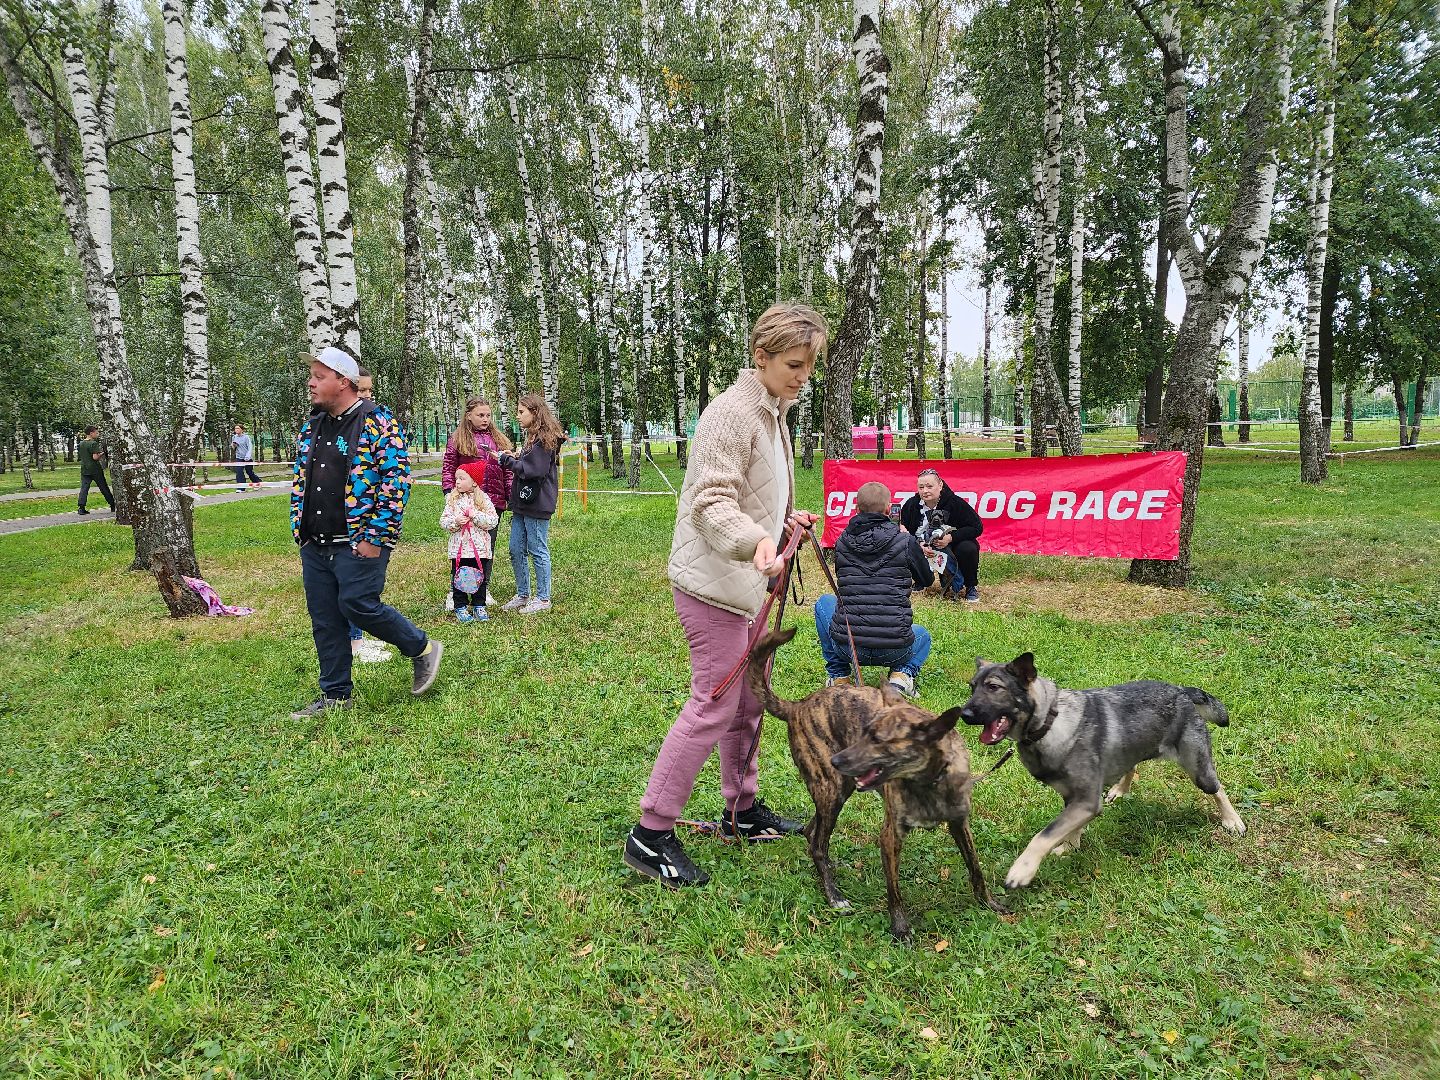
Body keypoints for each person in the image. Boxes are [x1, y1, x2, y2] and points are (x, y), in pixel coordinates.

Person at [623, 301, 828, 889]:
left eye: (808, 367)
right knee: (713, 703)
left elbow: (755, 494)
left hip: (745, 582)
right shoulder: (731, 414)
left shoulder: (771, 409)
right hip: (714, 585)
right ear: (760, 356)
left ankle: (741, 809)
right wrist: (759, 542)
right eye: (793, 364)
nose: (801, 376)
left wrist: (785, 522)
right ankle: (651, 833)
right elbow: (711, 504)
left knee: (748, 699)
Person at [289, 346, 443, 718]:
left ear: (343, 382)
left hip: (360, 541)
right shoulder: (313, 425)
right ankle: (336, 696)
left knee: (358, 604)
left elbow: (396, 482)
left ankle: (420, 647)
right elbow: (303, 479)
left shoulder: (377, 422)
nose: (310, 383)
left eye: (319, 376)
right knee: (325, 619)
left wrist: (376, 536)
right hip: (316, 541)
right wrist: (300, 525)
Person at [816, 481, 934, 698]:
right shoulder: (904, 540)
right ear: (889, 510)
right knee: (923, 636)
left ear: (856, 509)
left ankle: (839, 674)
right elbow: (926, 579)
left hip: (848, 646)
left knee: (824, 602)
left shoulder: (842, 541)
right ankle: (900, 678)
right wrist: (910, 545)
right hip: (895, 648)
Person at [489, 392, 562, 615]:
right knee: (515, 548)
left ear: (535, 413)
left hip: (537, 503)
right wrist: (517, 456)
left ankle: (542, 598)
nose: (518, 416)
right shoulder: (532, 437)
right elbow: (529, 462)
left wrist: (506, 460)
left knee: (537, 549)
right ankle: (523, 594)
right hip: (522, 501)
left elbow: (535, 471)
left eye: (521, 412)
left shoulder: (544, 439)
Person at [441, 397, 512, 609]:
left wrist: (509, 496)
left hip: (491, 503)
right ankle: (456, 592)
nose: (485, 419)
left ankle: (483, 588)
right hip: (464, 503)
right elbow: (448, 468)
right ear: (469, 415)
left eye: (488, 415)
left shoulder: (499, 440)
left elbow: (508, 472)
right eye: (480, 415)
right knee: (462, 549)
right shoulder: (457, 439)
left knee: (486, 548)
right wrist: (449, 493)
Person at [347, 366, 393, 662]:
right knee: (356, 590)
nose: (366, 396)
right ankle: (354, 642)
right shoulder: (345, 429)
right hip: (352, 524)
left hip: (367, 523)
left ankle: (355, 639)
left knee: (356, 588)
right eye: (360, 390)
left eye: (369, 391)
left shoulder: (374, 423)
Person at [900, 467, 984, 602]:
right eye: (921, 487)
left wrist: (951, 538)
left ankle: (970, 586)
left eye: (929, 486)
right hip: (921, 542)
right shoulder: (912, 504)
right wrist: (918, 544)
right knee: (902, 545)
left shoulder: (955, 503)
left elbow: (976, 527)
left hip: (950, 543)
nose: (925, 491)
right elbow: (902, 526)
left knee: (968, 547)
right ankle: (920, 580)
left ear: (940, 485)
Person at [440, 462, 499, 623]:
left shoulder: (483, 500)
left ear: (474, 481)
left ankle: (479, 605)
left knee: (479, 577)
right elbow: (443, 521)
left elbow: (493, 521)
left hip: (480, 549)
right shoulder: (453, 500)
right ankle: (460, 605)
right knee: (459, 577)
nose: (457, 482)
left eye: (462, 478)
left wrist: (475, 515)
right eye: (456, 479)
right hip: (459, 549)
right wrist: (456, 521)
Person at [76, 426, 114, 515]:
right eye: (96, 433)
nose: (97, 434)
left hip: (84, 469)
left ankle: (81, 507)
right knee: (103, 487)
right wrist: (103, 453)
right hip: (95, 469)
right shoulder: (93, 443)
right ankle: (112, 504)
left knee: (84, 488)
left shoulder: (81, 443)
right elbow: (95, 457)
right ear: (91, 433)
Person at [229, 423, 262, 491]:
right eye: (235, 428)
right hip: (239, 457)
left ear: (242, 430)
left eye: (238, 428)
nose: (236, 430)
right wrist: (233, 445)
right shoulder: (234, 437)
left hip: (247, 457)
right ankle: (241, 488)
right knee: (239, 472)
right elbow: (233, 447)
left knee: (249, 471)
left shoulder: (246, 437)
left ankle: (257, 482)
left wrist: (248, 456)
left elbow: (250, 447)